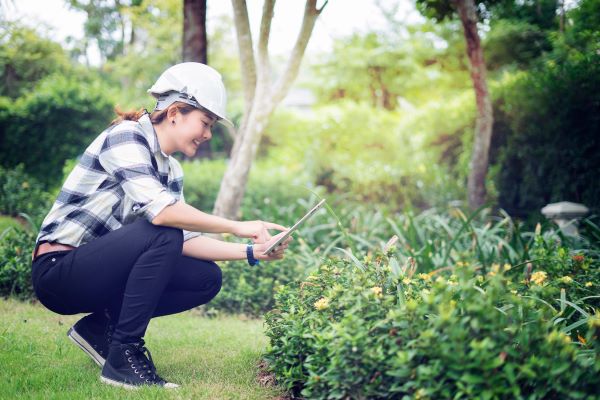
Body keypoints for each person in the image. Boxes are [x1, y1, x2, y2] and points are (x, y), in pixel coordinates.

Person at [29, 62, 292, 390]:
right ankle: (123, 355)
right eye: (205, 122)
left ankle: (101, 329)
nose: (208, 134)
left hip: (100, 274)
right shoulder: (125, 137)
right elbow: (163, 217)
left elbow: (184, 239)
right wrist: (239, 226)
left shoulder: (172, 171)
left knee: (205, 278)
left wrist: (253, 251)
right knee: (164, 229)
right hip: (59, 273)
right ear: (175, 112)